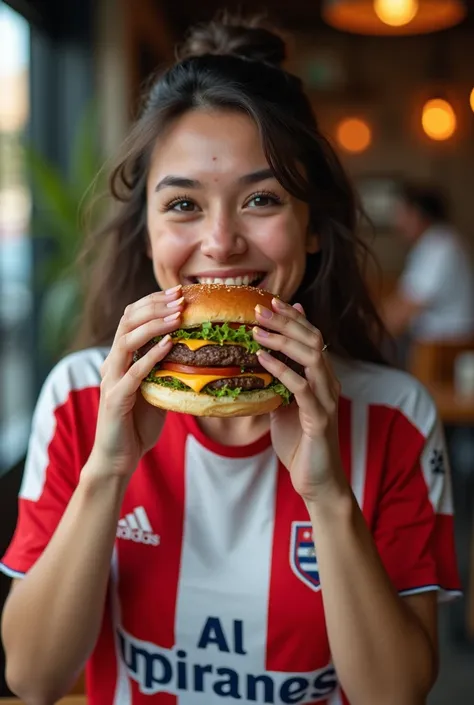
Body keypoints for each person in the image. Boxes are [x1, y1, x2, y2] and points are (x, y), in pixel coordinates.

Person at [0, 15, 461, 705]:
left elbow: (395, 695)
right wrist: (108, 469)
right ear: (150, 233)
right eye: (183, 203)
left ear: (310, 231)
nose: (220, 241)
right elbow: (33, 679)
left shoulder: (396, 413)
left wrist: (328, 493)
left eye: (262, 199)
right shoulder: (77, 394)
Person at [382, 182, 474, 344]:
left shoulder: (438, 247)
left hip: (443, 347)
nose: (397, 223)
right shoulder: (437, 242)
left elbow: (405, 308)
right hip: (437, 341)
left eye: (401, 213)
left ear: (417, 214)